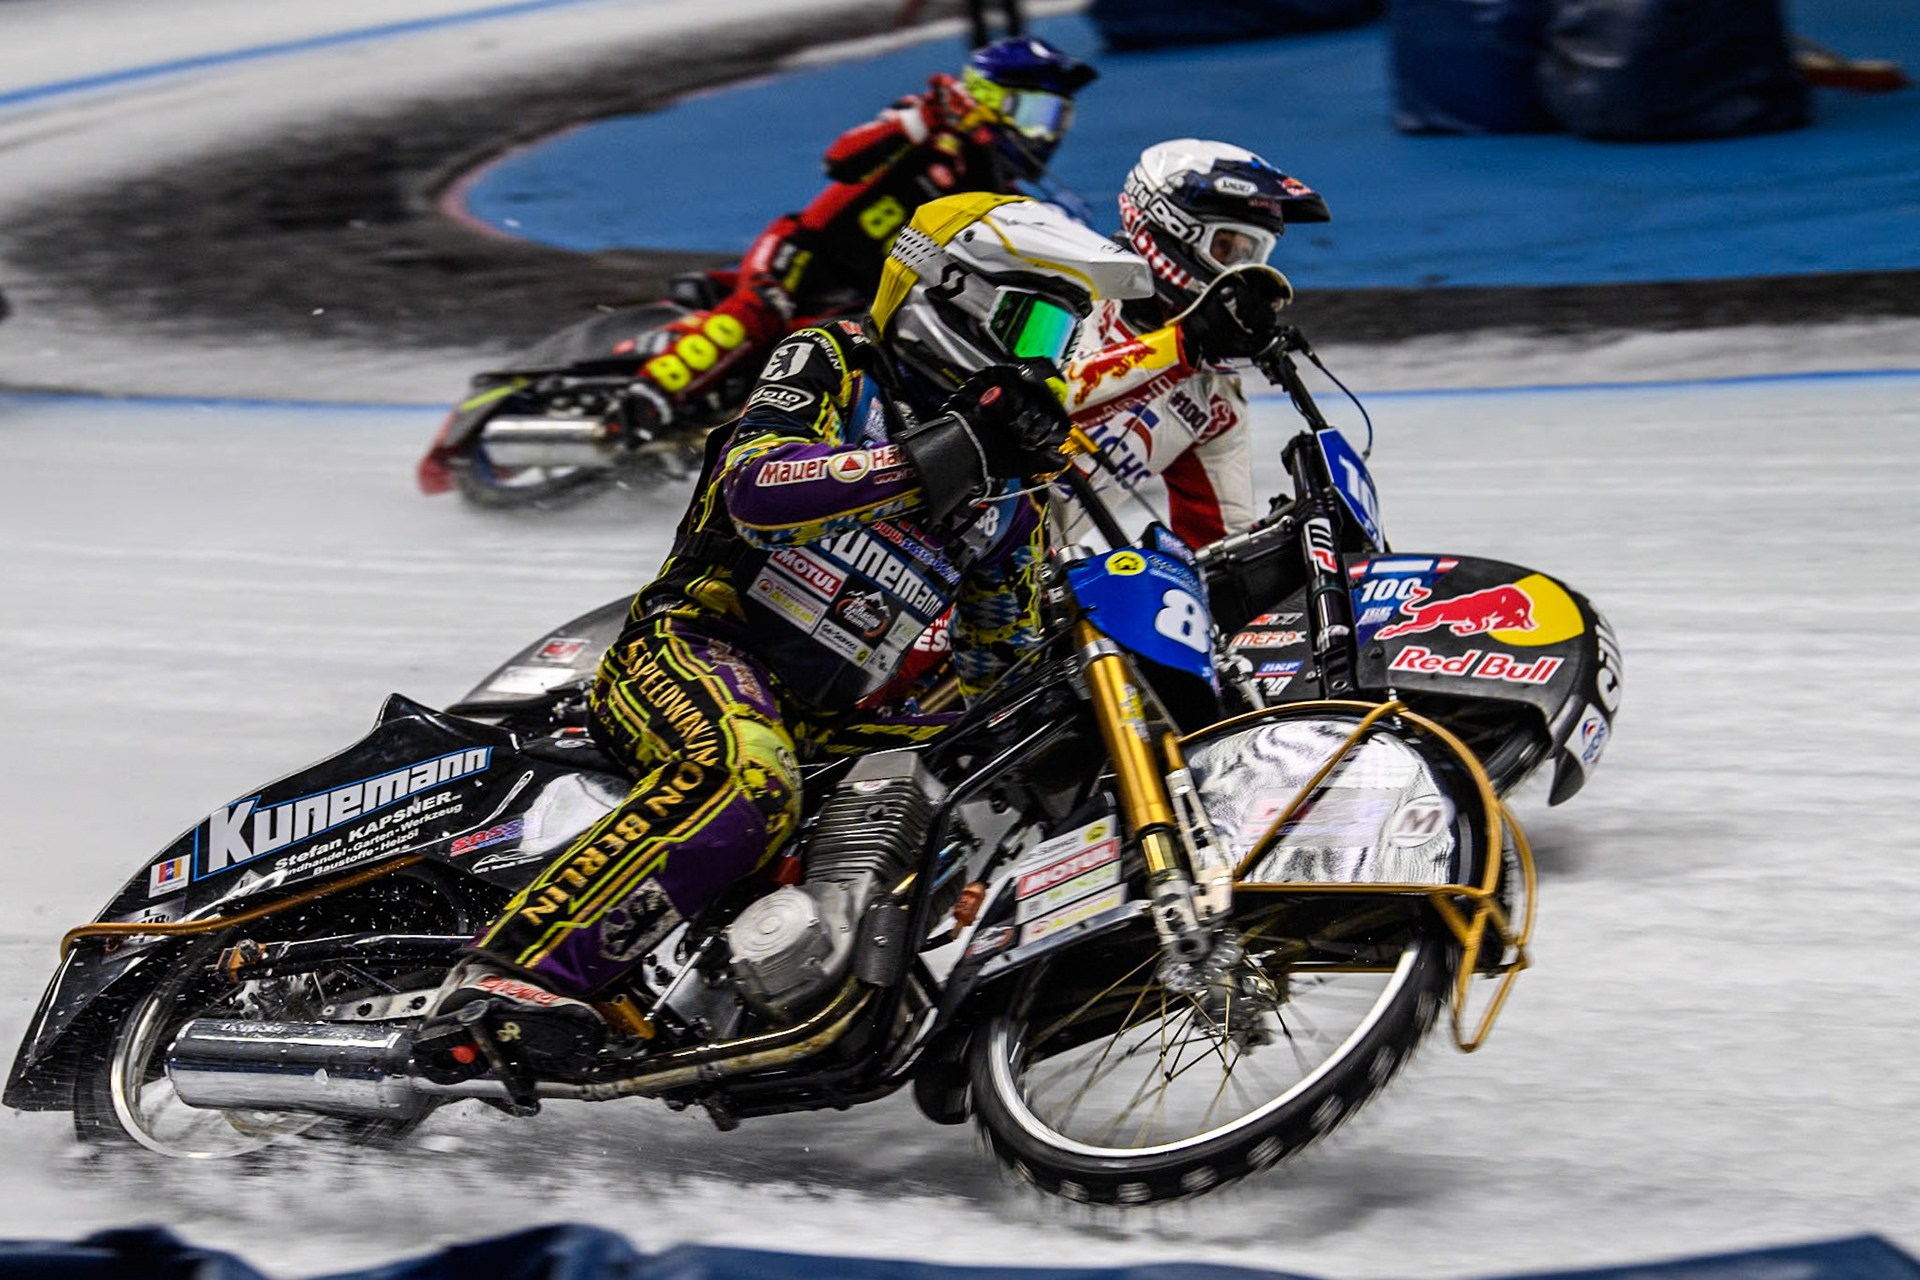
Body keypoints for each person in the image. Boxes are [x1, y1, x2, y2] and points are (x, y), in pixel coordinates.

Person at [417, 194, 1152, 1077]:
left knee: (954, 789)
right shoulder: (840, 359)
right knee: (747, 769)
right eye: (1033, 327)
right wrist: (943, 453)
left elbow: (999, 661)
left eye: (1063, 343)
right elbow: (756, 491)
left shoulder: (1009, 493)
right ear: (947, 291)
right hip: (693, 646)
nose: (1044, 363)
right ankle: (510, 974)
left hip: (832, 713)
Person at [615, 37, 1098, 440]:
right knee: (764, 308)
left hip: (864, 297)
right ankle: (649, 395)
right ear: (989, 98)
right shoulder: (924, 122)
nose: (1044, 133)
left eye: (1056, 118)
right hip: (802, 256)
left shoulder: (998, 190)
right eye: (1034, 113)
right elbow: (841, 159)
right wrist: (928, 119)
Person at [1058, 139, 1330, 550]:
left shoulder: (1215, 400)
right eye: (1224, 248)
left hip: (1021, 588)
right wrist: (1182, 345)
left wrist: (1280, 547)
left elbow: (1219, 546)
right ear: (1169, 228)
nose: (1239, 273)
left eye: (1250, 254)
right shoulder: (1064, 292)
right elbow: (1037, 396)